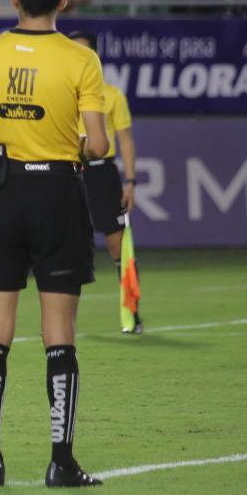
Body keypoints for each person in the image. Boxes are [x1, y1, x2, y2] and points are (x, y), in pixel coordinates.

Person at [0, 0, 109, 488]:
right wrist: (76, 145)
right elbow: (100, 143)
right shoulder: (81, 60)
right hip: (58, 193)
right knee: (58, 334)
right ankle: (60, 461)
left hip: (3, 192)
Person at [67, 32, 141, 334]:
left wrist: (131, 180)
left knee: (117, 244)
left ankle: (131, 314)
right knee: (67, 245)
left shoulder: (111, 95)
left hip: (101, 171)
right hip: (69, 170)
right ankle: (65, 321)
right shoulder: (60, 93)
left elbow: (125, 139)